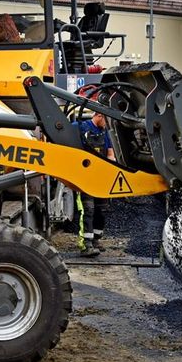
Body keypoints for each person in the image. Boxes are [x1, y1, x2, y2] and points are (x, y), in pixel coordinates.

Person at [73, 109, 115, 257]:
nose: (107, 125)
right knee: (88, 210)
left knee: (101, 209)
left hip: (101, 178)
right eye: (106, 121)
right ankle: (86, 245)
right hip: (84, 178)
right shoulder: (80, 127)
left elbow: (110, 154)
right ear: (99, 116)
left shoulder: (105, 133)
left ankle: (96, 239)